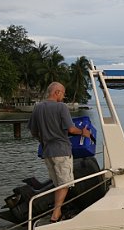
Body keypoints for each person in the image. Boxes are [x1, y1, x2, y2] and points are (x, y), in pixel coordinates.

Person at [28, 82, 91, 222]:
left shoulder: (38, 108)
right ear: (57, 92)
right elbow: (71, 130)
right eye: (63, 94)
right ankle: (56, 214)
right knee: (65, 183)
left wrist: (43, 140)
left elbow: (33, 131)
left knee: (57, 184)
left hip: (47, 151)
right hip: (61, 150)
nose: (63, 97)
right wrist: (83, 132)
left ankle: (57, 212)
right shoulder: (61, 107)